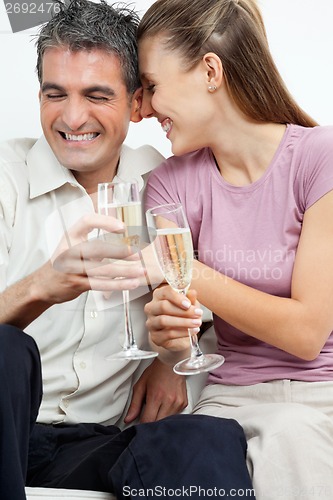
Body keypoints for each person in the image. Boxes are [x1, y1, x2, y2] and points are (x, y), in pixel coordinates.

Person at [0, 1, 256, 499]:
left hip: (97, 442)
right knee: (6, 350)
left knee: (205, 438)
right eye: (56, 94)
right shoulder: (5, 177)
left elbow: (197, 302)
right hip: (8, 432)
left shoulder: (163, 181)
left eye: (97, 95)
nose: (73, 117)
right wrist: (40, 288)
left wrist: (173, 357)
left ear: (136, 102)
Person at [138, 0, 333, 499]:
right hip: (228, 401)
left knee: (290, 434)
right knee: (175, 451)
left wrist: (182, 268)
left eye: (153, 86)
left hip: (321, 399)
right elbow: (180, 312)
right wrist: (169, 338)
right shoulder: (168, 186)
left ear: (209, 71)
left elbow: (307, 332)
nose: (144, 109)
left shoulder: (319, 159)